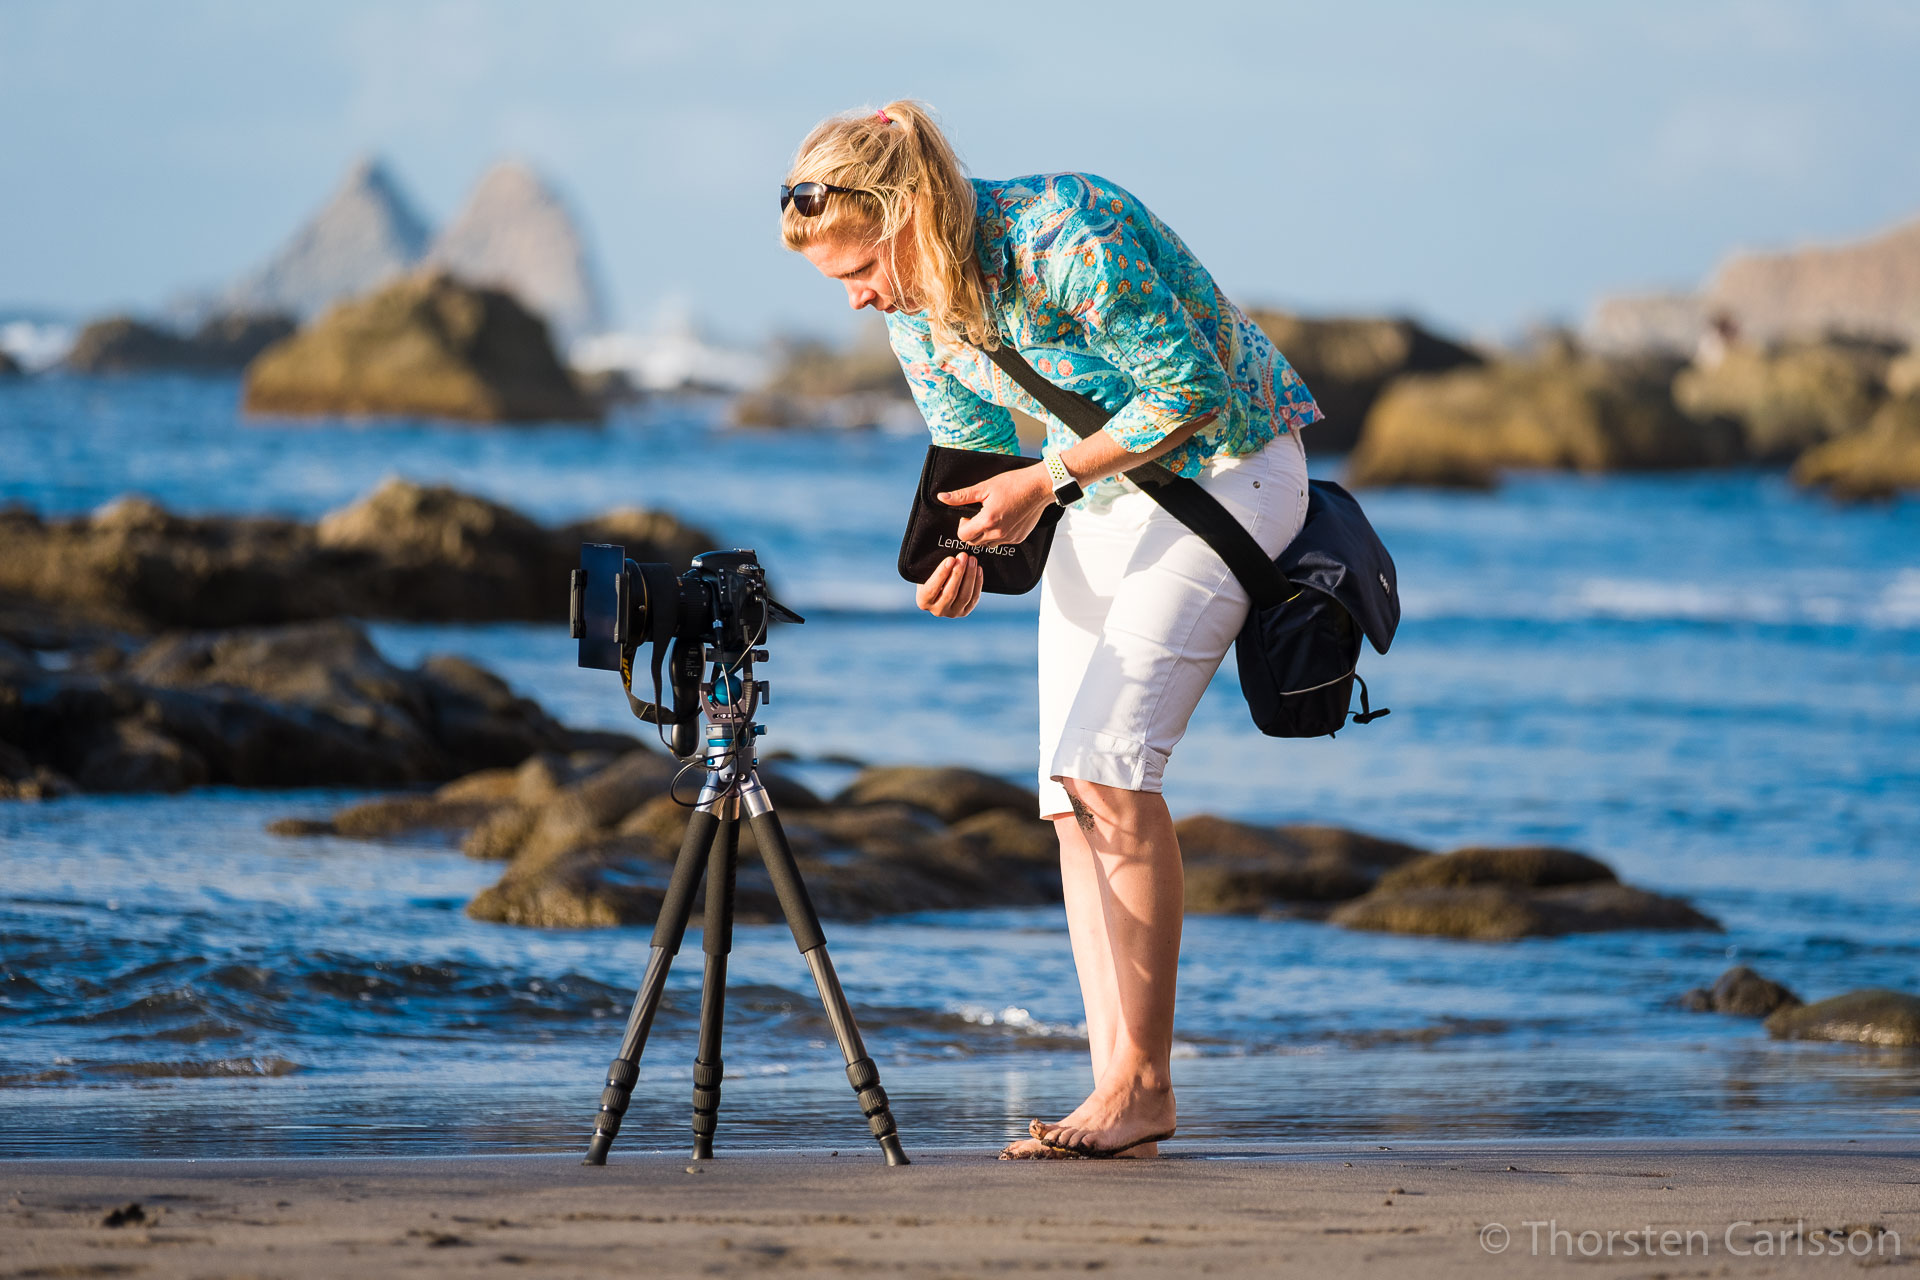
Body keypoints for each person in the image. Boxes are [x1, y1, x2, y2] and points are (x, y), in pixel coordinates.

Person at [781, 101, 1322, 1160]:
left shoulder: (1066, 234)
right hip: (1106, 493)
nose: (858, 297)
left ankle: (1144, 1083)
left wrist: (1042, 478)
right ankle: (1111, 1077)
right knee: (1071, 790)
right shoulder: (914, 304)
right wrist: (971, 552)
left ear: (907, 213)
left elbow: (1191, 390)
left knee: (1113, 767)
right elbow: (973, 444)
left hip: (1230, 472)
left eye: (860, 268)